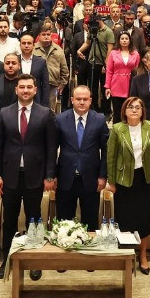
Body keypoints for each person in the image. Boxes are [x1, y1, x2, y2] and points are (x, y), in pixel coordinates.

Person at [0, 73, 57, 280]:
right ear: (16, 89)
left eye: (29, 87)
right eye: (22, 87)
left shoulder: (46, 113)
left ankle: (34, 260)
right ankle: (8, 259)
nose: (26, 90)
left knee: (34, 219)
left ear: (35, 90)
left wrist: (49, 175)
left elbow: (51, 147)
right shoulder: (4, 113)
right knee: (9, 220)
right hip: (9, 176)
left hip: (35, 176)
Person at [106, 96, 150, 275]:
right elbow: (111, 157)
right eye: (131, 107)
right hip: (124, 180)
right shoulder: (117, 129)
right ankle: (128, 256)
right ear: (124, 110)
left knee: (143, 219)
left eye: (138, 107)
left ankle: (143, 255)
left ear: (142, 110)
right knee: (125, 219)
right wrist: (111, 182)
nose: (134, 110)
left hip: (143, 179)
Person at [53, 85, 108, 227]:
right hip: (65, 179)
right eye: (78, 99)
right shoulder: (60, 119)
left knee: (90, 223)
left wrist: (103, 176)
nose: (82, 102)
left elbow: (106, 150)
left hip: (91, 180)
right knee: (64, 224)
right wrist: (52, 175)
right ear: (72, 100)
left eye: (85, 99)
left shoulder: (100, 119)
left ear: (90, 100)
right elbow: (53, 148)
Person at [104, 30, 140, 122]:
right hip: (116, 84)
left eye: (126, 38)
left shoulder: (135, 54)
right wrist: (107, 86)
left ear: (130, 40)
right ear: (119, 41)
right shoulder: (113, 53)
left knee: (128, 110)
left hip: (130, 84)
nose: (124, 40)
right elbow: (109, 71)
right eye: (122, 38)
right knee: (117, 112)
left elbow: (137, 70)